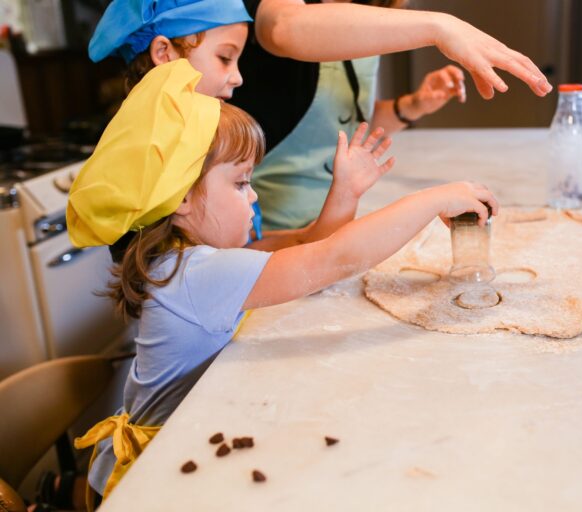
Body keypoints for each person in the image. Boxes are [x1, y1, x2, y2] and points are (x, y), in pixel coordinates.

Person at [66, 59, 498, 509]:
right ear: (181, 199)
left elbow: (304, 244)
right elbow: (332, 259)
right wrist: (431, 199)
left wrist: (345, 193)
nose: (253, 197)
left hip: (180, 444)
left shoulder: (186, 257)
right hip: (152, 478)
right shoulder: (198, 274)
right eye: (239, 183)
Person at [88, 0, 397, 256]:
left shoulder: (205, 136)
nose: (238, 78)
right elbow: (240, 272)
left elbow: (248, 253)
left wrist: (334, 208)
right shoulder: (166, 157)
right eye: (225, 58)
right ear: (163, 53)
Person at [231, 0, 553, 230]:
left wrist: (412, 106)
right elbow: (282, 28)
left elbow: (341, 121)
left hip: (333, 220)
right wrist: (440, 26)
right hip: (265, 225)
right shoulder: (287, 10)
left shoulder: (369, 10)